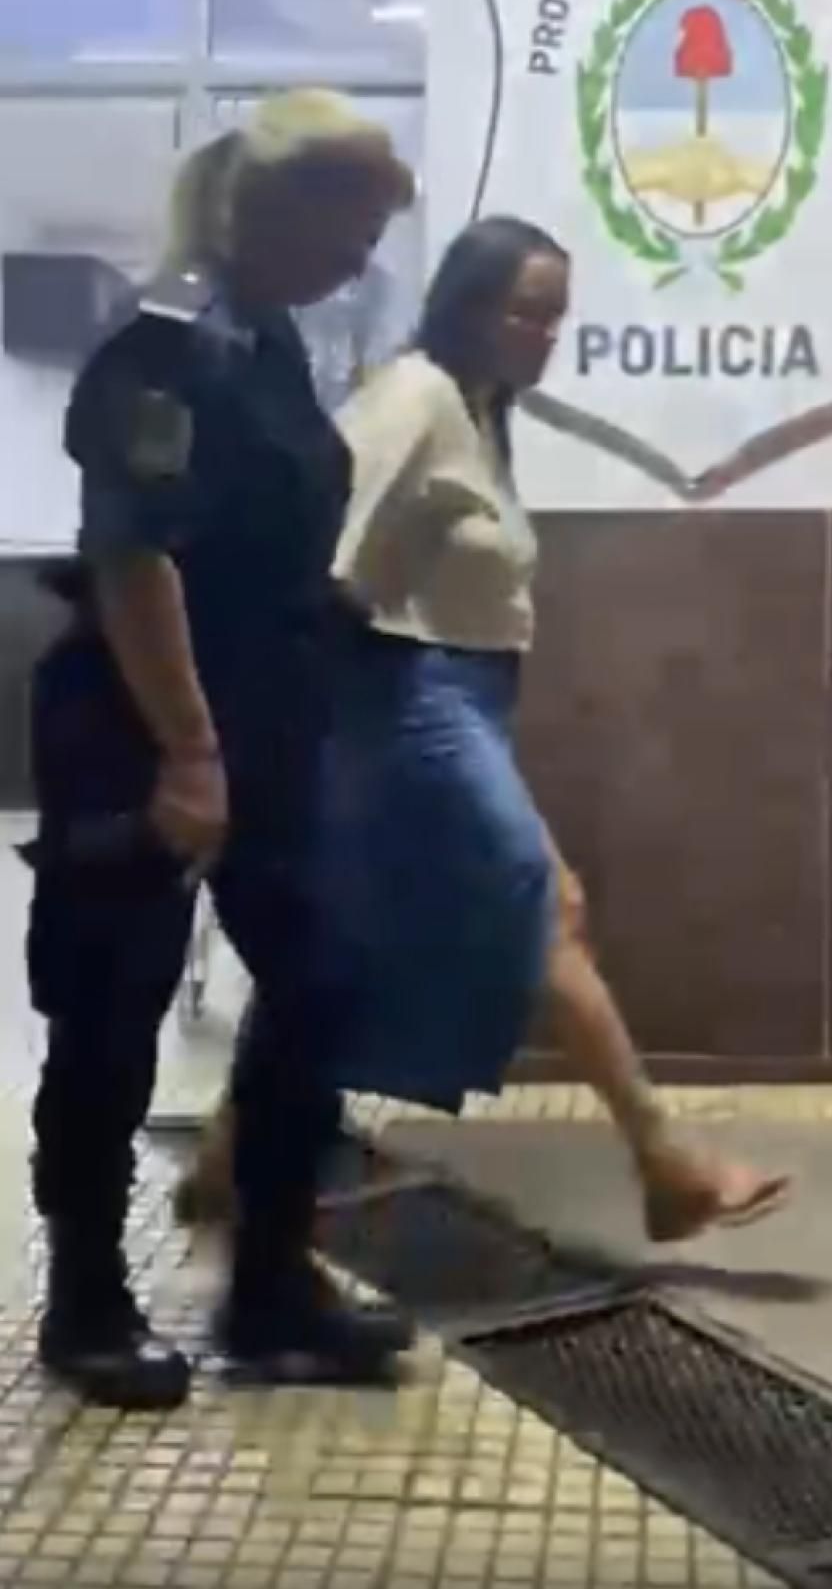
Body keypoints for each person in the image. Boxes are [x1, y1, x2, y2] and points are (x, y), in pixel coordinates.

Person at [173, 216, 788, 1246]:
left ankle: (226, 1162)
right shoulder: (414, 396)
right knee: (545, 907)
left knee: (347, 935)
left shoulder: (480, 409)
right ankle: (666, 1162)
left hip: (458, 704)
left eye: (555, 318)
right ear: (467, 305)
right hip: (408, 700)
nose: (544, 336)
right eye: (524, 313)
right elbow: (319, 545)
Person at [25, 89, 415, 1410]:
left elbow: (262, 533)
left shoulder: (267, 339)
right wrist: (189, 755)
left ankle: (271, 1290)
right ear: (276, 205)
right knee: (109, 1012)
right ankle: (86, 1307)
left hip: (263, 725)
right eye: (351, 225)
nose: (360, 258)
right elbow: (134, 558)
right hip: (140, 732)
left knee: (322, 984)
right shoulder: (164, 344)